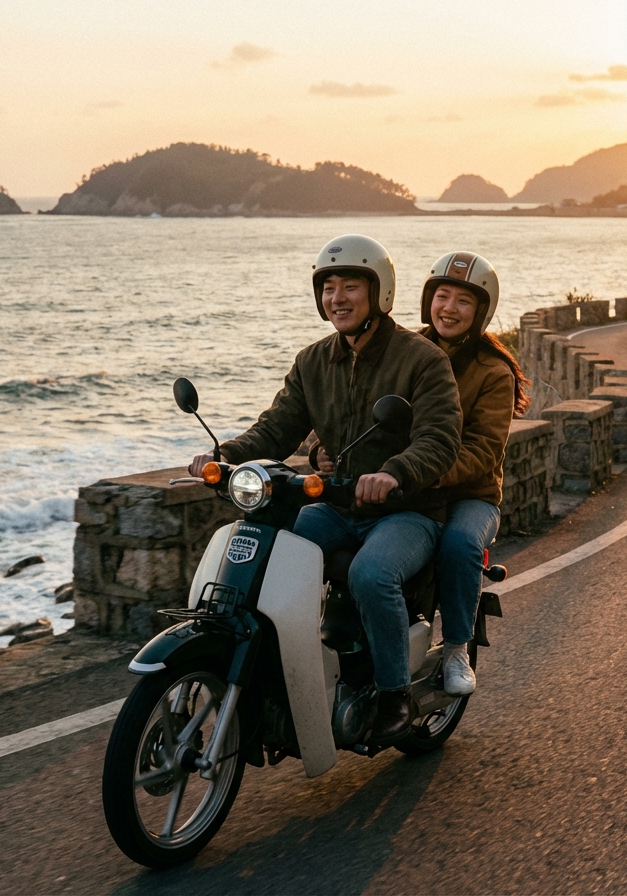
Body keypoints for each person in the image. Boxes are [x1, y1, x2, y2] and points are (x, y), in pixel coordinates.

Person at [189, 234, 461, 746]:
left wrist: (395, 473)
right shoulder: (313, 361)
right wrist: (224, 455)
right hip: (335, 504)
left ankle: (393, 695)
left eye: (351, 285)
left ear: (378, 293)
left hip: (408, 511)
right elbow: (276, 428)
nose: (337, 296)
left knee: (371, 572)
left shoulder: (422, 360)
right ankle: (282, 671)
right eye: (328, 286)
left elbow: (440, 439)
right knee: (270, 548)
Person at [317, 251, 528, 696]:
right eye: (442, 296)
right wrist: (322, 448)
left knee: (458, 542)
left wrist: (415, 474)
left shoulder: (492, 373)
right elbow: (358, 419)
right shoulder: (404, 352)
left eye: (463, 301)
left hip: (469, 492)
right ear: (426, 300)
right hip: (403, 488)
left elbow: (482, 451)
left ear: (482, 311)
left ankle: (455, 648)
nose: (449, 308)